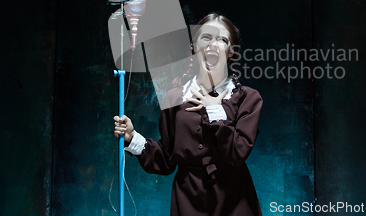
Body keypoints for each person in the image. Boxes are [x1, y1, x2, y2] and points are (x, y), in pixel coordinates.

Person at [113, 13, 263, 216]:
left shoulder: (248, 98)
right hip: (187, 201)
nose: (213, 44)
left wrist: (214, 108)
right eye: (207, 37)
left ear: (230, 52)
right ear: (194, 47)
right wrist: (132, 138)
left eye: (222, 39)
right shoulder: (174, 97)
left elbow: (237, 153)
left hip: (234, 201)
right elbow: (165, 159)